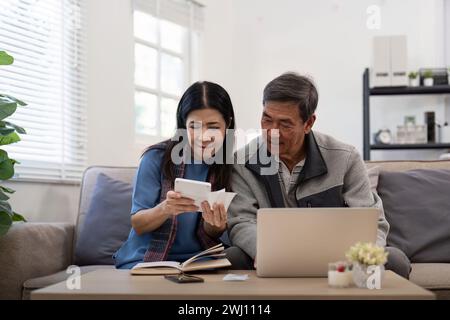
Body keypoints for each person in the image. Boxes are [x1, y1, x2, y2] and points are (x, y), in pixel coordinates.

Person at [227, 72, 411, 278]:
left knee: (395, 260)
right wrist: (266, 253)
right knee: (232, 257)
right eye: (267, 119)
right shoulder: (242, 162)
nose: (272, 132)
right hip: (271, 257)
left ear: (309, 123)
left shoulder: (345, 158)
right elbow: (241, 221)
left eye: (285, 124)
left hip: (341, 257)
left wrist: (361, 258)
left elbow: (372, 220)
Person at [114, 81, 236, 269]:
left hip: (200, 260)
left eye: (213, 126)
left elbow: (212, 233)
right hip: (147, 259)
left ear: (227, 124)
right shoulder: (156, 158)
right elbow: (138, 224)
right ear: (183, 125)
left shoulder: (228, 166)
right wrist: (165, 209)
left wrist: (216, 226)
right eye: (194, 127)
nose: (203, 136)